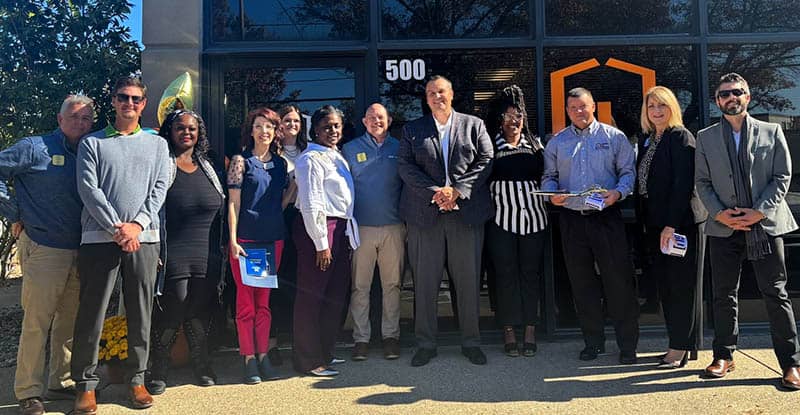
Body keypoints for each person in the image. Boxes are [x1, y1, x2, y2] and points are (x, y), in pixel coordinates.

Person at [71, 76, 172, 414]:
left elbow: (160, 187)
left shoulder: (158, 144)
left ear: (144, 104)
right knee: (92, 312)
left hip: (144, 239)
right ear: (113, 101)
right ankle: (86, 384)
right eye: (123, 97)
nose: (129, 103)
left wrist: (138, 225)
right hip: (100, 240)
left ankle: (136, 379)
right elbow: (89, 189)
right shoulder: (92, 143)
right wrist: (119, 227)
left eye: (136, 99)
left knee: (141, 313)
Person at [695, 72, 800, 389]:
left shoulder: (772, 130)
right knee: (723, 295)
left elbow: (782, 176)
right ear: (717, 101)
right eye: (725, 94)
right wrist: (721, 214)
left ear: (748, 96)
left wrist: (758, 212)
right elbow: (702, 182)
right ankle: (724, 356)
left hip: (764, 226)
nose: (731, 97)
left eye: (737, 92)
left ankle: (791, 363)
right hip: (724, 227)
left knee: (776, 293)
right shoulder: (706, 136)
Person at [0, 95, 93, 415]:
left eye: (86, 118)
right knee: (37, 322)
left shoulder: (89, 150)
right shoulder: (34, 147)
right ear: (59, 118)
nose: (80, 123)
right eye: (74, 117)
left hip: (79, 248)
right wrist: (14, 213)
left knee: (69, 319)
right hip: (43, 247)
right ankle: (28, 391)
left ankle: (60, 380)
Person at [398, 75, 494, 367]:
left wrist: (459, 191)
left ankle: (471, 341)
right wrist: (435, 192)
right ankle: (426, 344)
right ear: (425, 99)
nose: (436, 97)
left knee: (467, 282)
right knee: (425, 284)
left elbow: (487, 159)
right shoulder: (412, 130)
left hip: (465, 215)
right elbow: (404, 165)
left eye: (441, 92)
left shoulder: (473, 125)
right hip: (424, 216)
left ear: (451, 94)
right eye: (430, 93)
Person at [541, 87, 640, 365]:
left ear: (593, 106)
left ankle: (627, 346)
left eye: (583, 107)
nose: (578, 112)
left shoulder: (614, 137)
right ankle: (592, 342)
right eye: (573, 108)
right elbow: (549, 176)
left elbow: (628, 173)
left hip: (606, 219)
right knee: (582, 285)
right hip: (572, 221)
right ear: (567, 111)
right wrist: (552, 194)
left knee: (618, 283)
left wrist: (617, 193)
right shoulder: (556, 143)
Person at [146, 110, 224, 394]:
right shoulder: (161, 164)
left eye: (192, 129)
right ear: (171, 131)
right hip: (173, 250)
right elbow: (152, 207)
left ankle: (201, 363)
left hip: (207, 251)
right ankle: (159, 366)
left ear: (199, 133)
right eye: (180, 128)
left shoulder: (209, 165)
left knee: (200, 307)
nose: (187, 133)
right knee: (174, 305)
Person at [636, 86, 700, 369]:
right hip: (655, 224)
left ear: (672, 107)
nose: (656, 111)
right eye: (651, 107)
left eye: (662, 105)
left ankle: (680, 348)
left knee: (680, 287)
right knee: (666, 287)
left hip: (677, 226)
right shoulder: (650, 139)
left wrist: (671, 225)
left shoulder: (680, 137)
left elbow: (683, 185)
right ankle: (675, 343)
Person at [293, 105, 358, 377]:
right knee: (312, 296)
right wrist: (321, 242)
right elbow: (311, 202)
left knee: (334, 296)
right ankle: (308, 359)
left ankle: (326, 352)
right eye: (327, 126)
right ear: (315, 130)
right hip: (320, 229)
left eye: (337, 126)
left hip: (341, 228)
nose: (333, 131)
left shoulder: (336, 156)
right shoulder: (310, 159)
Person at [227, 107, 289, 384]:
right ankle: (248, 358)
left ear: (276, 132)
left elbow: (281, 201)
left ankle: (263, 355)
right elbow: (234, 202)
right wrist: (232, 239)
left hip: (272, 239)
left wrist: (295, 190)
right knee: (245, 304)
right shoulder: (241, 161)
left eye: (269, 126)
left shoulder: (280, 164)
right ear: (250, 130)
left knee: (264, 305)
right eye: (259, 125)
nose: (264, 131)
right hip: (246, 241)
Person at [485, 90, 547, 358]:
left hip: (534, 220)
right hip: (502, 221)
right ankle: (509, 329)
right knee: (505, 276)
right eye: (508, 117)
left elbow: (550, 176)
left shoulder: (536, 145)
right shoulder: (489, 145)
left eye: (518, 116)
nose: (514, 121)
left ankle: (530, 329)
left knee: (530, 275)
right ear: (500, 120)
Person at [342, 103, 404, 361]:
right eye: (370, 117)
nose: (375, 121)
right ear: (364, 122)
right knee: (360, 287)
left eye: (380, 117)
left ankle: (390, 337)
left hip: (394, 226)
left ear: (389, 120)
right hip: (362, 228)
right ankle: (361, 339)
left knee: (392, 285)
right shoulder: (350, 149)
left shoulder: (400, 148)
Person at [265, 105, 307, 366]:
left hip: (304, 220)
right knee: (275, 286)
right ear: (279, 125)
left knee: (298, 283)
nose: (292, 124)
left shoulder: (308, 151)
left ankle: (298, 342)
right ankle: (272, 344)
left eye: (296, 120)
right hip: (280, 219)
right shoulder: (273, 155)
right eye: (287, 120)